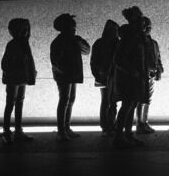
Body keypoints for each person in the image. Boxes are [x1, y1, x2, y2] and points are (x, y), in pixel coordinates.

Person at [112, 7, 149, 147]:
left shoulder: (135, 37)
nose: (144, 24)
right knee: (127, 105)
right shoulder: (131, 37)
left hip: (135, 77)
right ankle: (119, 136)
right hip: (130, 79)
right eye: (141, 21)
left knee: (131, 105)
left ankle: (127, 134)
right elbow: (119, 59)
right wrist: (134, 71)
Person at [51, 13, 91, 142]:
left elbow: (86, 51)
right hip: (65, 75)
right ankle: (61, 130)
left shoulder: (73, 39)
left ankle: (66, 128)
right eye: (71, 24)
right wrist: (63, 72)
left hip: (72, 74)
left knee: (70, 100)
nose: (74, 26)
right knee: (64, 100)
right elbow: (56, 61)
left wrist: (79, 41)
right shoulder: (59, 42)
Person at [0, 18, 36, 144]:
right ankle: (8, 131)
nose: (26, 31)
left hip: (19, 77)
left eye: (27, 29)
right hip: (15, 77)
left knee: (16, 102)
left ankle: (14, 131)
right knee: (13, 102)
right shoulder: (16, 44)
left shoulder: (21, 43)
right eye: (24, 29)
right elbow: (5, 63)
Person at [90, 20, 120, 134]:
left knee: (107, 101)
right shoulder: (116, 43)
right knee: (110, 101)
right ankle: (110, 124)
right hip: (110, 76)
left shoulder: (99, 43)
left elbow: (93, 61)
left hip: (104, 76)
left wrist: (97, 75)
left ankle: (107, 125)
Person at [136, 17, 163, 134]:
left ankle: (144, 122)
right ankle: (139, 124)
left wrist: (159, 70)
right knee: (140, 99)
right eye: (146, 27)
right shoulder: (138, 42)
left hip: (151, 74)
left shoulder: (153, 43)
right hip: (141, 74)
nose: (148, 29)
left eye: (149, 27)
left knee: (148, 99)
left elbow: (158, 57)